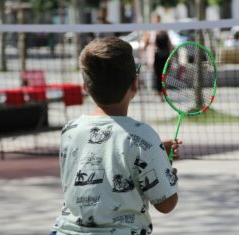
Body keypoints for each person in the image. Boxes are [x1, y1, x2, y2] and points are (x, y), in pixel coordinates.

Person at [50, 37, 181, 235]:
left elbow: (106, 153)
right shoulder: (143, 135)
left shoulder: (70, 130)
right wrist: (166, 172)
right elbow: (166, 204)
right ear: (135, 86)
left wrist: (153, 151)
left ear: (85, 86)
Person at [143, 14, 172, 97]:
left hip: (165, 55)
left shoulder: (164, 31)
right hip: (156, 56)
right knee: (158, 74)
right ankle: (159, 91)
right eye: (155, 20)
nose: (157, 21)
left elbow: (169, 43)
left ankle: (162, 91)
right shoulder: (150, 31)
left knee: (164, 74)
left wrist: (171, 53)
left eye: (158, 20)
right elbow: (145, 43)